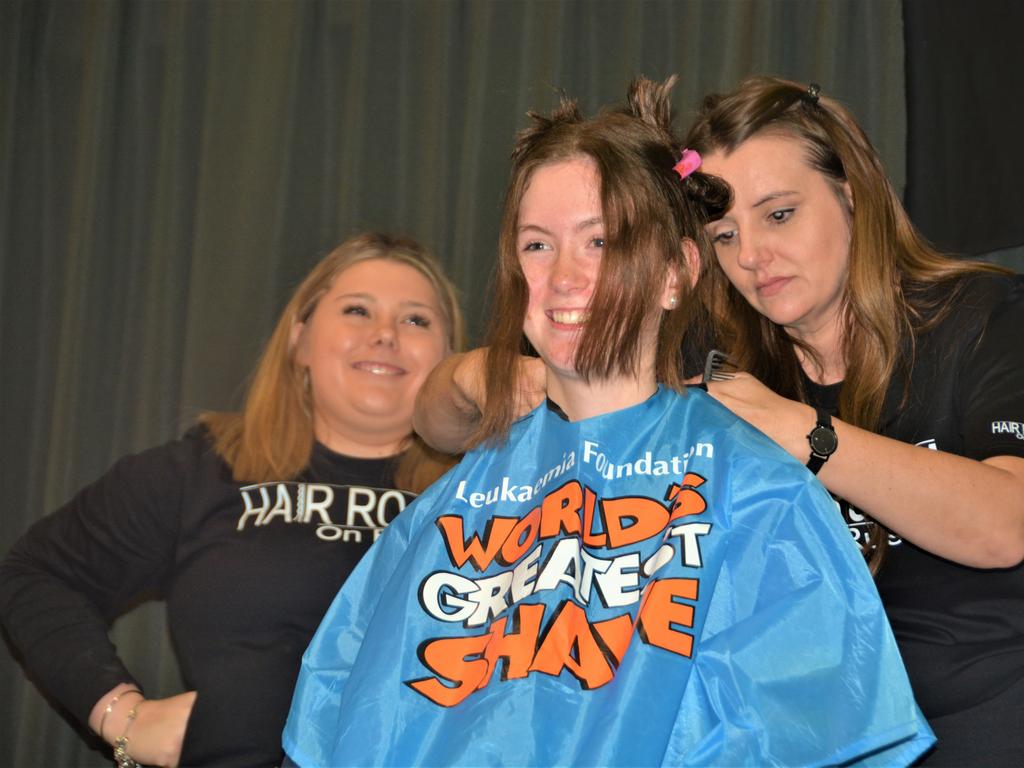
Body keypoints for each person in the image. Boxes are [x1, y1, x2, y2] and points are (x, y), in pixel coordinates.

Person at [282, 78, 933, 767]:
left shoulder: (757, 491)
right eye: (537, 245)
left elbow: (797, 731)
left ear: (675, 273)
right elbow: (340, 716)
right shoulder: (460, 500)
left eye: (600, 242)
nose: (564, 276)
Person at [0, 232, 463, 767]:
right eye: (357, 310)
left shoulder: (490, 493)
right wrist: (124, 717)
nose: (385, 335)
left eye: (416, 320)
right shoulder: (204, 470)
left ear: (450, 359)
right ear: (300, 340)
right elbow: (36, 574)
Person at [680, 76, 1024, 767]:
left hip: (985, 713)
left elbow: (1006, 523)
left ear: (852, 195)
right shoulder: (721, 369)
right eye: (724, 233)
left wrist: (806, 432)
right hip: (814, 732)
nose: (750, 256)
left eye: (779, 215)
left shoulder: (981, 314)